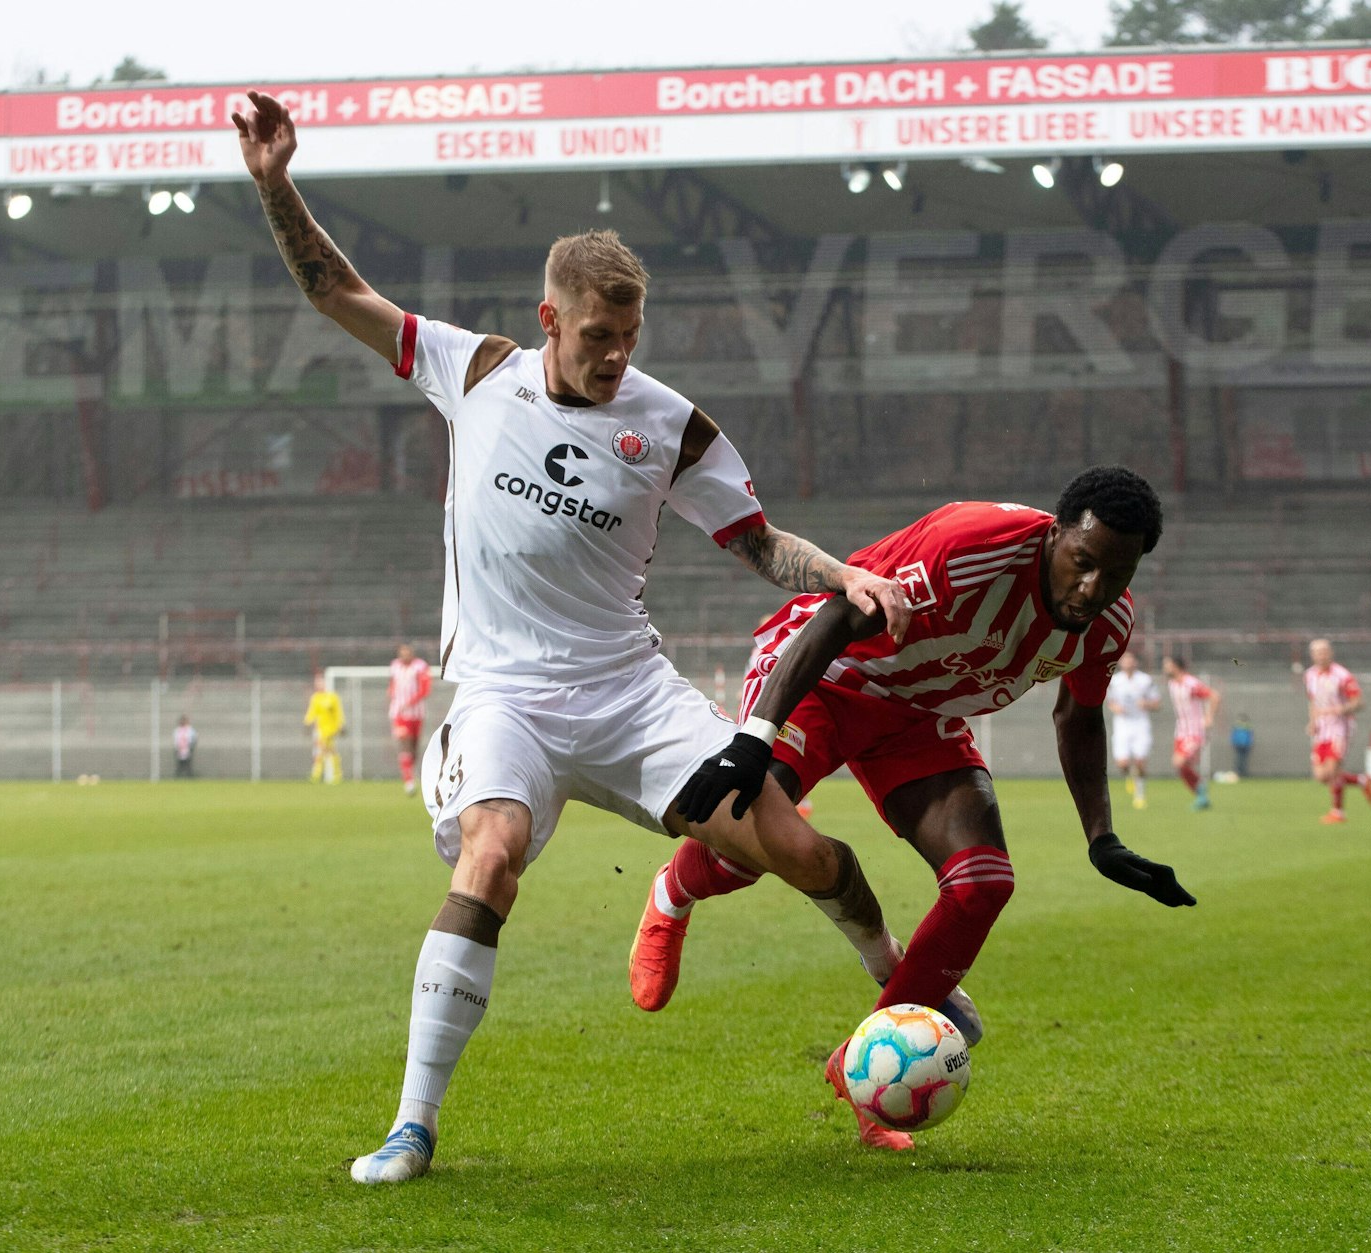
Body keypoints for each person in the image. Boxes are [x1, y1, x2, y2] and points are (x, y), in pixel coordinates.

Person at [234, 90, 912, 1185]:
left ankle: (909, 984)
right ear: (548, 318)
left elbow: (756, 541)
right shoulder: (473, 370)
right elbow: (334, 290)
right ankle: (411, 1126)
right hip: (503, 696)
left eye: (630, 338)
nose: (615, 357)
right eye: (598, 336)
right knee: (492, 853)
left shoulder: (671, 425)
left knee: (799, 851)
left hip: (629, 694)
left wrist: (842, 574)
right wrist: (276, 185)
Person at [632, 467, 1196, 1151]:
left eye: (1117, 573)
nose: (1092, 588)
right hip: (829, 679)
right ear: (1055, 535)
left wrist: (1101, 837)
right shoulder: (974, 547)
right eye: (1084, 562)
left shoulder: (1107, 623)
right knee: (753, 843)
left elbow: (1077, 716)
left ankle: (864, 1072)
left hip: (921, 716)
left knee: (983, 882)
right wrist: (756, 739)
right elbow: (839, 617)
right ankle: (674, 890)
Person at [1304, 639, 1371, 824]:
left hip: (1340, 728)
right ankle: (1361, 780)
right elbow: (1313, 701)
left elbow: (1359, 702)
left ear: (1331, 653)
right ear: (1312, 655)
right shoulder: (1309, 675)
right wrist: (1312, 722)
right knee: (1321, 776)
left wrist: (1339, 710)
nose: (1321, 655)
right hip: (1322, 729)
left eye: (1324, 651)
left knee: (1333, 770)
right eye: (1317, 652)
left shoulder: (1342, 675)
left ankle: (1337, 812)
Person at [1163, 655, 1219, 811]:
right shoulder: (1172, 683)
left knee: (1178, 762)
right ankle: (1201, 796)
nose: (1164, 668)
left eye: (1167, 665)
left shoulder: (1190, 684)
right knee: (1182, 766)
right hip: (1181, 731)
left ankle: (1201, 789)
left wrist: (1209, 717)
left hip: (1194, 731)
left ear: (1176, 666)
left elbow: (1214, 696)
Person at [1105, 650, 1158, 809]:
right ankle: (1130, 776)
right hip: (1122, 724)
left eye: (1131, 659)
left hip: (1140, 723)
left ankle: (1140, 795)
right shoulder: (1115, 681)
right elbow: (1110, 701)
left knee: (1140, 761)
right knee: (1122, 763)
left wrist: (1146, 704)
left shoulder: (1145, 680)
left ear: (1136, 662)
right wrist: (1116, 708)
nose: (1128, 662)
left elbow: (1157, 703)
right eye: (1125, 659)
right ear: (1121, 662)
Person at [389, 643, 432, 795]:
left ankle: (410, 773)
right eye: (402, 653)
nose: (404, 655)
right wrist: (392, 696)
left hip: (417, 714)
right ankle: (408, 781)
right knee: (404, 744)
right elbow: (392, 685)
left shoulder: (420, 666)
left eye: (407, 652)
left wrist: (410, 702)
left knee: (414, 748)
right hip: (399, 713)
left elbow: (425, 689)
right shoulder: (395, 666)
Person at [303, 677, 346, 784]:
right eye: (317, 684)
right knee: (329, 751)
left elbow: (338, 712)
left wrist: (341, 725)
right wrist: (307, 722)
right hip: (321, 729)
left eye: (320, 683)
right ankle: (337, 774)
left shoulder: (332, 697)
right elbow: (312, 712)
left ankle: (317, 775)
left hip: (332, 729)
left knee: (323, 751)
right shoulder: (315, 698)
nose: (319, 685)